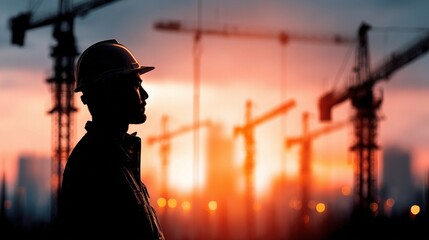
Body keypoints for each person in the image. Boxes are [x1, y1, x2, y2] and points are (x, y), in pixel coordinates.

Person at [57, 39, 165, 240]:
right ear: (112, 92)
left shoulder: (115, 158)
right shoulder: (95, 164)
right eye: (136, 84)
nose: (145, 94)